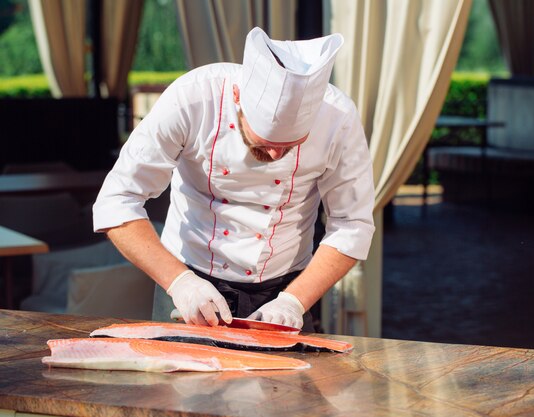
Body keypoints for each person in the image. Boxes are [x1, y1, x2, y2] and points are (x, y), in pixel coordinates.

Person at [93, 27, 375, 332]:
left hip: (286, 292)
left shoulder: (339, 119)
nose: (274, 152)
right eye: (262, 141)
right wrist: (180, 282)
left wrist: (294, 301)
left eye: (289, 146)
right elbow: (117, 202)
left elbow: (352, 225)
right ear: (237, 98)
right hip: (188, 284)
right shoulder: (193, 98)